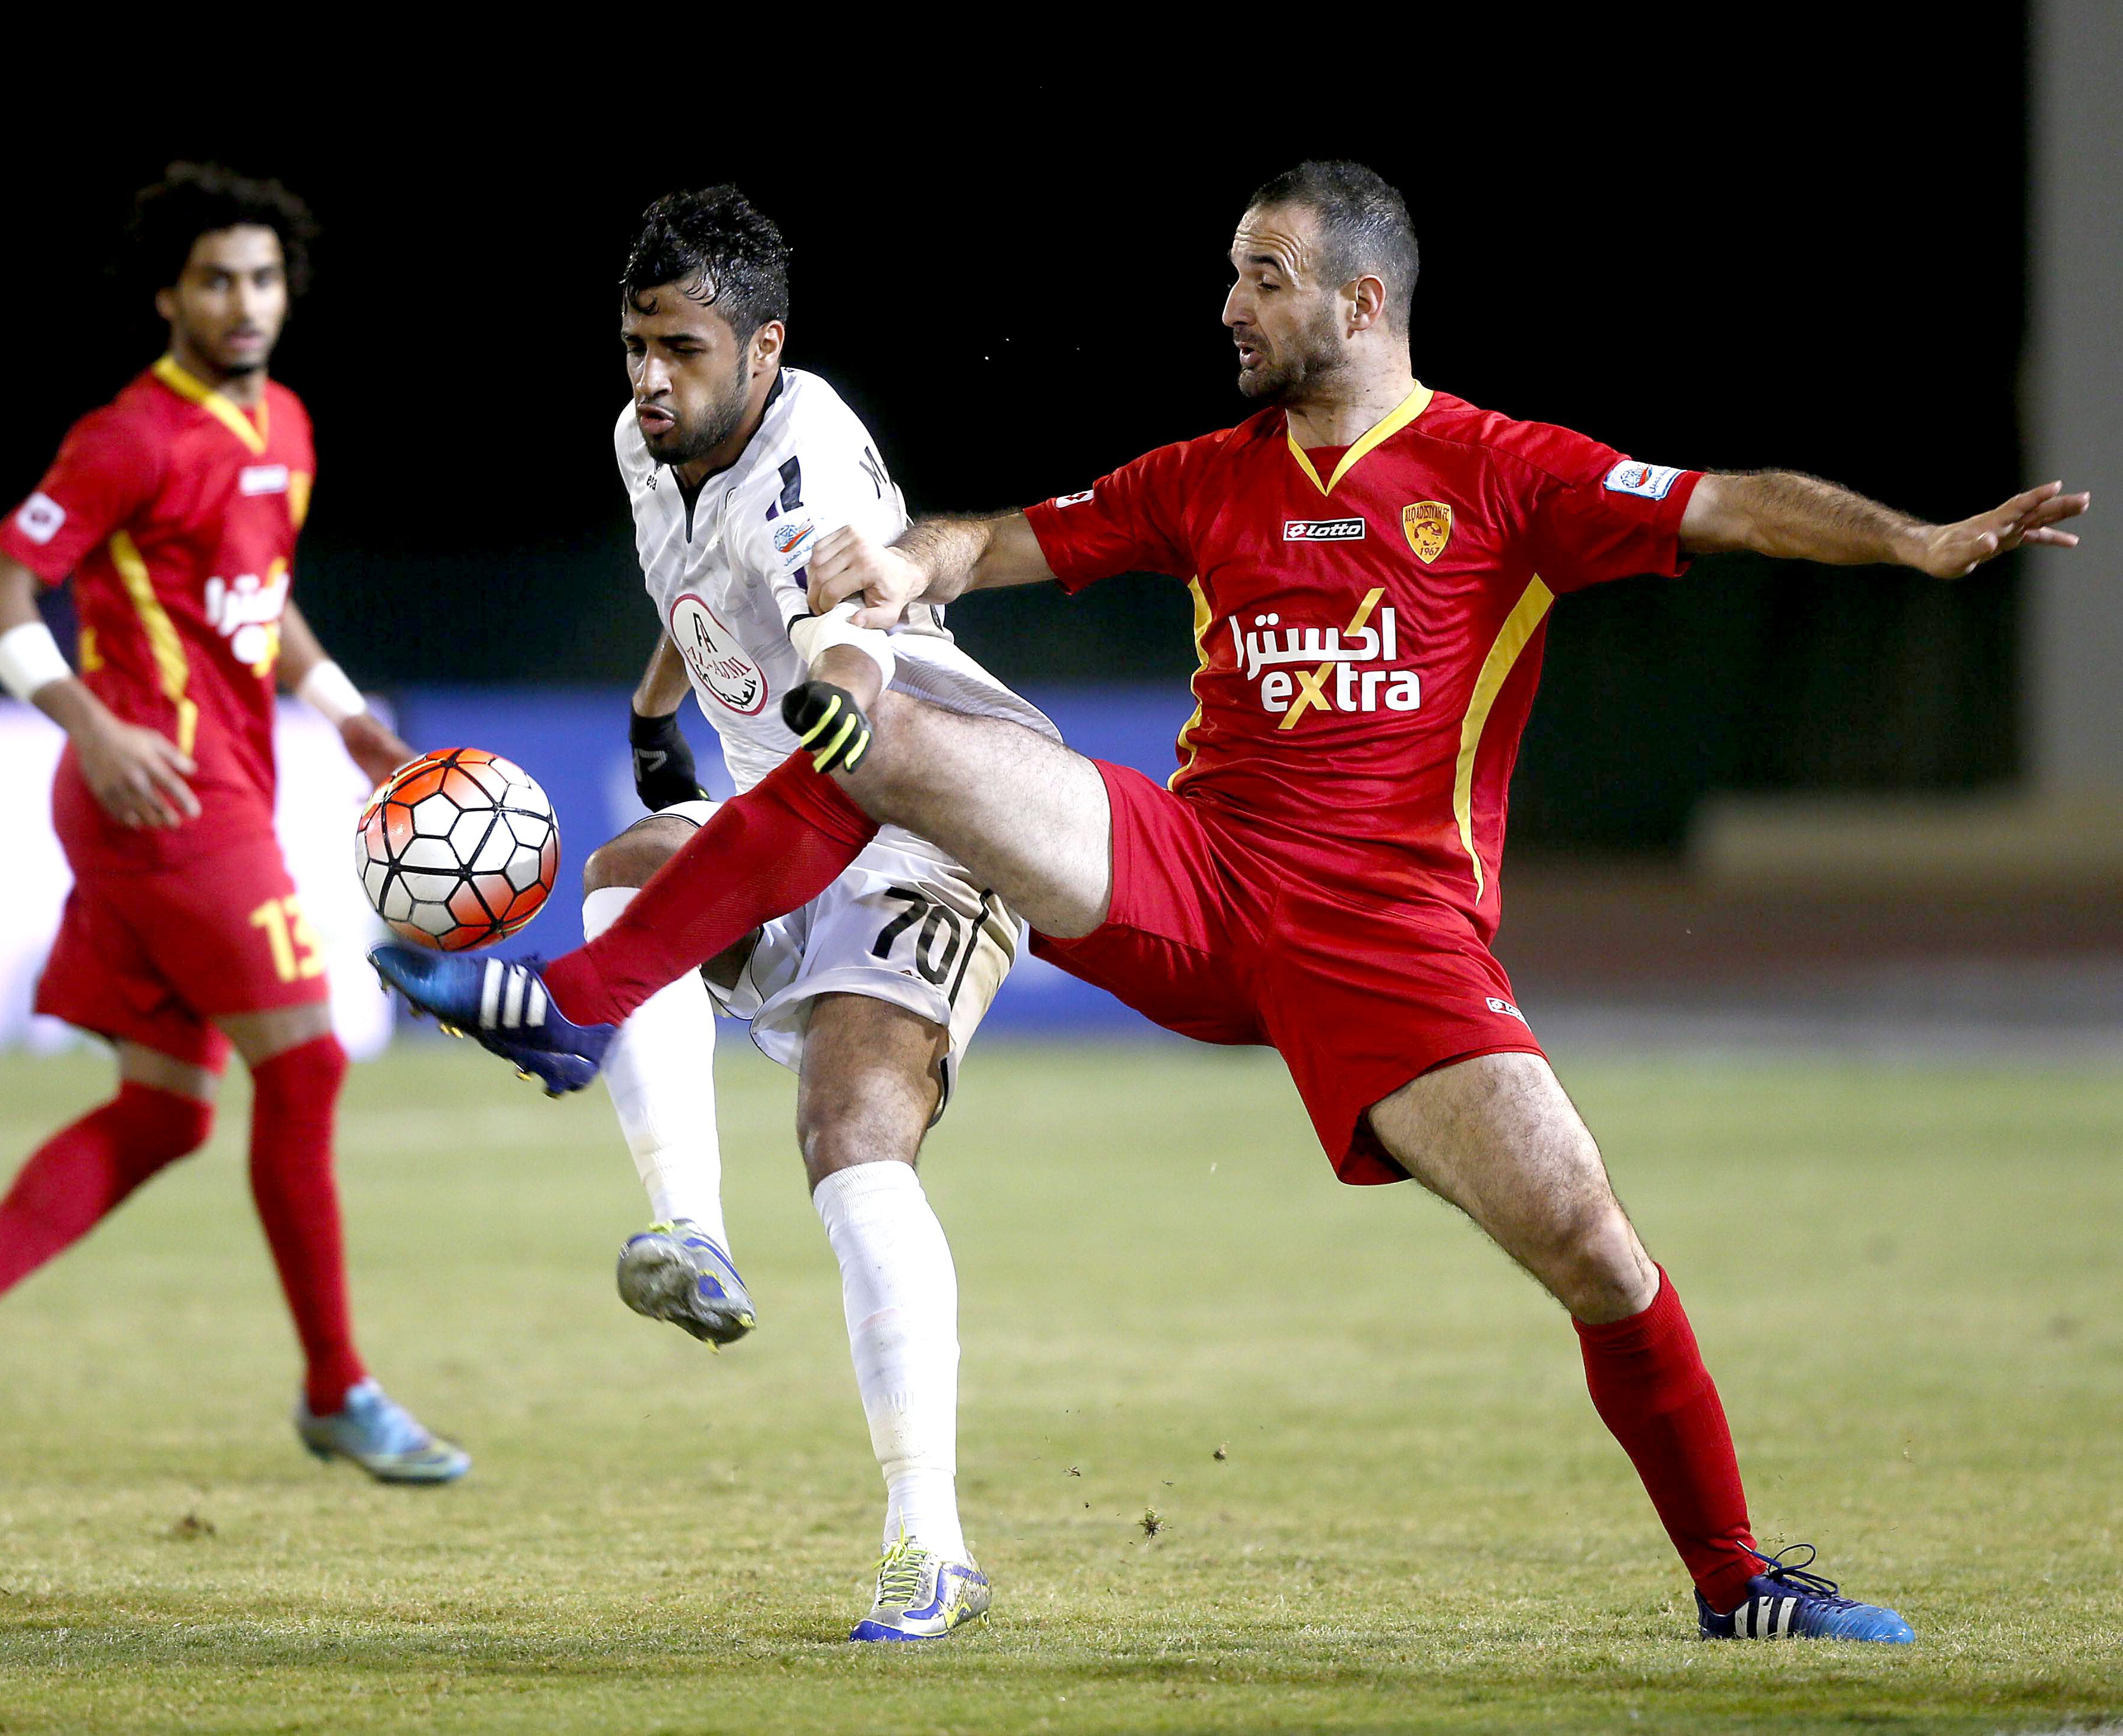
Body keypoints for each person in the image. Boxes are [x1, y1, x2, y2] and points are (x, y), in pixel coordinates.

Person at [373, 160, 2089, 1639]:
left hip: (1391, 947)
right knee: (882, 731)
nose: (1225, 306)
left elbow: (1723, 504)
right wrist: (899, 566)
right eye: (1225, 275)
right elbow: (995, 545)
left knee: (1595, 1258)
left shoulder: (1501, 472)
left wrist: (1922, 545)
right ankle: (585, 1011)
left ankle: (1734, 1582)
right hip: (1185, 878)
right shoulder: (1203, 478)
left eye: (1256, 277)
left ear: (1358, 296)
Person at [0, 162, 466, 1486]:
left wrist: (343, 706)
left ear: (283, 289)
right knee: (304, 1065)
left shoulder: (289, 426)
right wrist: (85, 717)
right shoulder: (131, 436)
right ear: (168, 295)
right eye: (214, 280)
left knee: (167, 1111)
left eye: (261, 277)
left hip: (221, 786)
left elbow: (261, 596)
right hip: (163, 797)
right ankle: (336, 1388)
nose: (242, 301)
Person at [519, 186, 1054, 1641]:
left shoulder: (813, 459)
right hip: (775, 803)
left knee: (852, 1132)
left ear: (764, 347)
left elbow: (827, 627)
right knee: (629, 870)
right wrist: (652, 709)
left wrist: (828, 689)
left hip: (920, 807)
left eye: (682, 350)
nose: (649, 378)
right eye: (634, 344)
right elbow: (701, 585)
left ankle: (926, 1540)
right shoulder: (650, 442)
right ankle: (686, 1230)